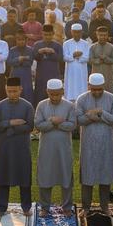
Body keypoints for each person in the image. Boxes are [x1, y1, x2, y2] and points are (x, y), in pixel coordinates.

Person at [76, 72, 113, 214]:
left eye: (99, 89)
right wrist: (93, 117)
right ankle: (86, 207)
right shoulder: (82, 99)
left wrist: (100, 113)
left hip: (106, 143)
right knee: (87, 176)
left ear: (103, 86)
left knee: (105, 175)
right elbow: (79, 120)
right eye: (93, 89)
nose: (96, 92)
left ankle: (104, 206)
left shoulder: (111, 98)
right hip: (88, 144)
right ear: (89, 86)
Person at [0, 76, 33, 215]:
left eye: (15, 91)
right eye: (9, 91)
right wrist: (11, 123)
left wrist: (9, 129)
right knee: (3, 176)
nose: (12, 94)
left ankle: (26, 207)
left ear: (21, 89)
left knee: (24, 176)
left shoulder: (27, 106)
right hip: (5, 148)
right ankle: (2, 207)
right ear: (5, 89)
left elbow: (30, 126)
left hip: (22, 147)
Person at [35, 78, 77, 211]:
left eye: (57, 94)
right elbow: (38, 125)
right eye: (51, 94)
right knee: (45, 175)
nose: (54, 97)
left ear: (62, 91)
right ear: (47, 91)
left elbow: (72, 125)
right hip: (46, 149)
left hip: (64, 149)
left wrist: (58, 123)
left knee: (66, 176)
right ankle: (45, 207)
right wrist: (53, 122)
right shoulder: (41, 105)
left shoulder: (69, 106)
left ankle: (67, 207)